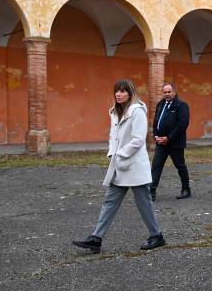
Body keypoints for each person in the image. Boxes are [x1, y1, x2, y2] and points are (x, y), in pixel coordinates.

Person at [72, 79, 166, 253]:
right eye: (117, 91)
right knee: (109, 201)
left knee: (144, 203)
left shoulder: (137, 111)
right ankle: (96, 238)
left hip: (135, 166)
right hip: (119, 165)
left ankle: (157, 235)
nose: (119, 94)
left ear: (130, 93)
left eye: (123, 91)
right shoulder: (115, 112)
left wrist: (121, 154)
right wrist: (111, 153)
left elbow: (138, 140)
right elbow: (112, 137)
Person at [150, 83, 190, 201]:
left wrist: (169, 138)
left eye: (169, 92)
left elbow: (182, 124)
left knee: (180, 166)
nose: (167, 94)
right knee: (156, 166)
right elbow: (156, 122)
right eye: (165, 92)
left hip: (175, 143)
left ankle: (186, 189)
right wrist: (156, 135)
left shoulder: (181, 105)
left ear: (174, 92)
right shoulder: (160, 104)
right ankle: (151, 192)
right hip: (160, 143)